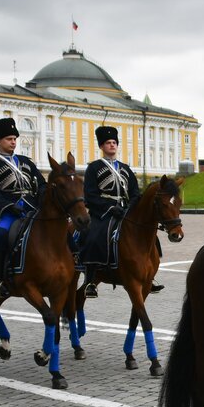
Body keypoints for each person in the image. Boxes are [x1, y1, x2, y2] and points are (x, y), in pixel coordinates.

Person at [0, 117, 46, 297]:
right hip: (9, 212)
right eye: (8, 139)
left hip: (32, 208)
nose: (13, 142)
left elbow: (42, 183)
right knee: (0, 234)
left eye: (14, 139)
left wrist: (44, 194)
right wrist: (8, 206)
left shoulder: (26, 162)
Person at [81, 125, 143, 298]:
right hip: (103, 212)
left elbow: (135, 193)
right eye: (108, 143)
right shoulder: (93, 168)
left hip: (124, 211)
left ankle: (148, 274)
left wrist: (128, 208)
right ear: (101, 146)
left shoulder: (125, 168)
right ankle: (91, 280)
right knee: (95, 236)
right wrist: (109, 207)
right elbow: (90, 195)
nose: (112, 145)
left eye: (114, 142)